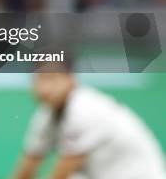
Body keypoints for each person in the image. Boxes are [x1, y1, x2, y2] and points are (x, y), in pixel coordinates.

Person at [12, 69, 166, 179]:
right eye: (39, 80)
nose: (44, 88)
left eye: (52, 78)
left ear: (70, 78)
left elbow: (61, 174)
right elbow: (28, 167)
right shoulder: (46, 114)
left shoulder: (86, 109)